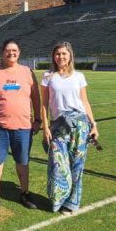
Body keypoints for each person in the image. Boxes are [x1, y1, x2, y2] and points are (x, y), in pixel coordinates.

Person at [0, 39, 41, 210]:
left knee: (22, 161)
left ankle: (25, 193)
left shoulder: (28, 72)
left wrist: (37, 119)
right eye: (7, 50)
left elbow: (36, 98)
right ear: (2, 53)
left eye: (14, 50)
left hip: (23, 126)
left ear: (19, 52)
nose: (11, 53)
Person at [41, 41, 99, 214]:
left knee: (77, 165)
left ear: (70, 55)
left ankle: (72, 202)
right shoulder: (48, 76)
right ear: (53, 56)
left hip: (80, 125)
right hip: (58, 126)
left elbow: (85, 102)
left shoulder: (79, 76)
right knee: (58, 164)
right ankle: (58, 199)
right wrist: (45, 127)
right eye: (57, 54)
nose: (60, 57)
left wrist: (93, 125)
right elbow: (44, 105)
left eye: (64, 53)